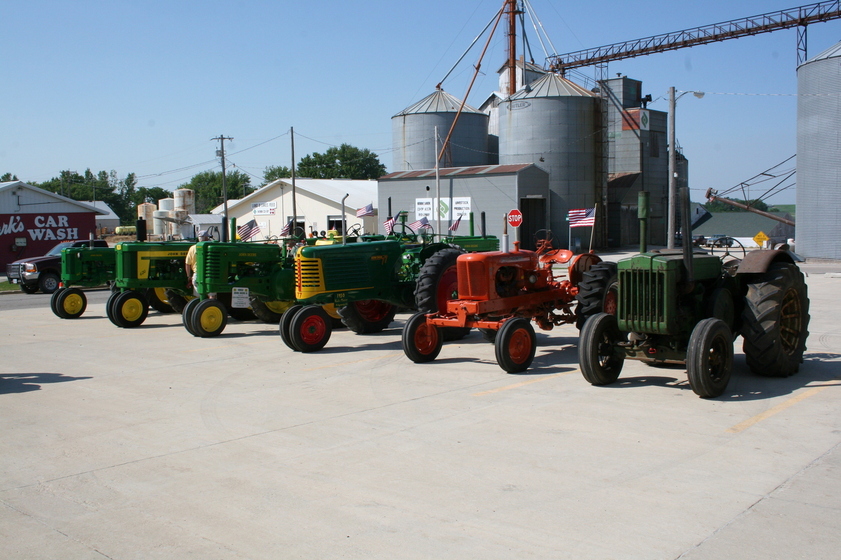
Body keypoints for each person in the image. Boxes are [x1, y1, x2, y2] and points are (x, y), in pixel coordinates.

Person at [185, 230, 211, 295]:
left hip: (197, 275)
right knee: (211, 297)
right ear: (206, 238)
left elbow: (187, 264)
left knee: (199, 298)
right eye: (207, 238)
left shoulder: (192, 248)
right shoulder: (210, 248)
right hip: (209, 275)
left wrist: (189, 276)